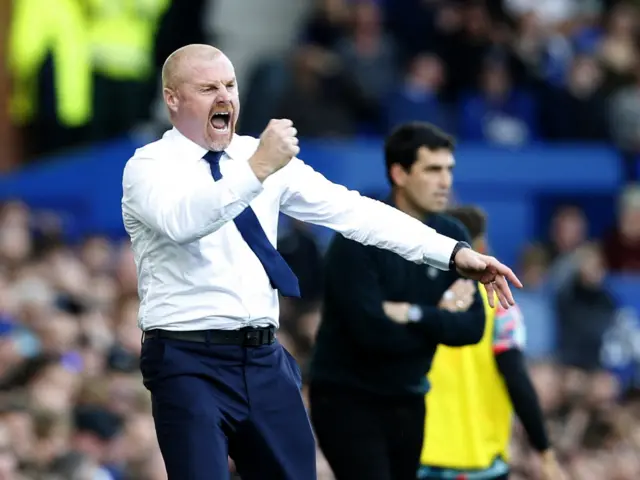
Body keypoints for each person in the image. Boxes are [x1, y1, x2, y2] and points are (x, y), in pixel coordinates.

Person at [121, 44, 521, 480]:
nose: (224, 97)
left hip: (262, 356)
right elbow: (184, 221)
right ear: (173, 98)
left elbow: (354, 211)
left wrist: (453, 253)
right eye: (207, 87)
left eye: (230, 85)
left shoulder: (258, 157)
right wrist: (256, 169)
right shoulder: (149, 167)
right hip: (186, 358)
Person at [308, 122, 488, 480]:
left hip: (409, 397)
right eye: (433, 170)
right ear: (399, 173)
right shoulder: (358, 236)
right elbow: (371, 334)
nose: (445, 182)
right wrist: (439, 316)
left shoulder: (453, 234)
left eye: (449, 169)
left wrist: (413, 313)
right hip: (347, 397)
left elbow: (472, 328)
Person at [418, 205, 563, 480]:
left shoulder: (413, 301)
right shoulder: (499, 308)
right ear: (481, 245)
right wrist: (544, 449)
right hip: (481, 463)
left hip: (419, 458)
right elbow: (516, 379)